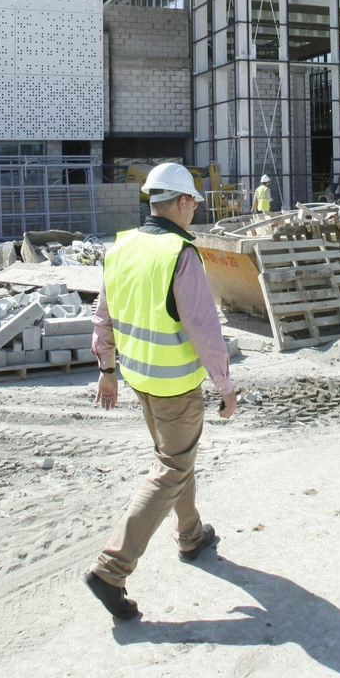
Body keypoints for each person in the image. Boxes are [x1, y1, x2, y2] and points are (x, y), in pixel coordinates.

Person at [84, 162, 237, 620]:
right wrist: (225, 385)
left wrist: (107, 368)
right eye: (194, 203)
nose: (195, 211)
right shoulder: (180, 253)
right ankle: (112, 568)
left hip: (140, 380)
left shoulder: (122, 246)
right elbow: (204, 329)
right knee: (172, 468)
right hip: (175, 385)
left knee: (175, 458)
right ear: (183, 201)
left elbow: (103, 314)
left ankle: (190, 535)